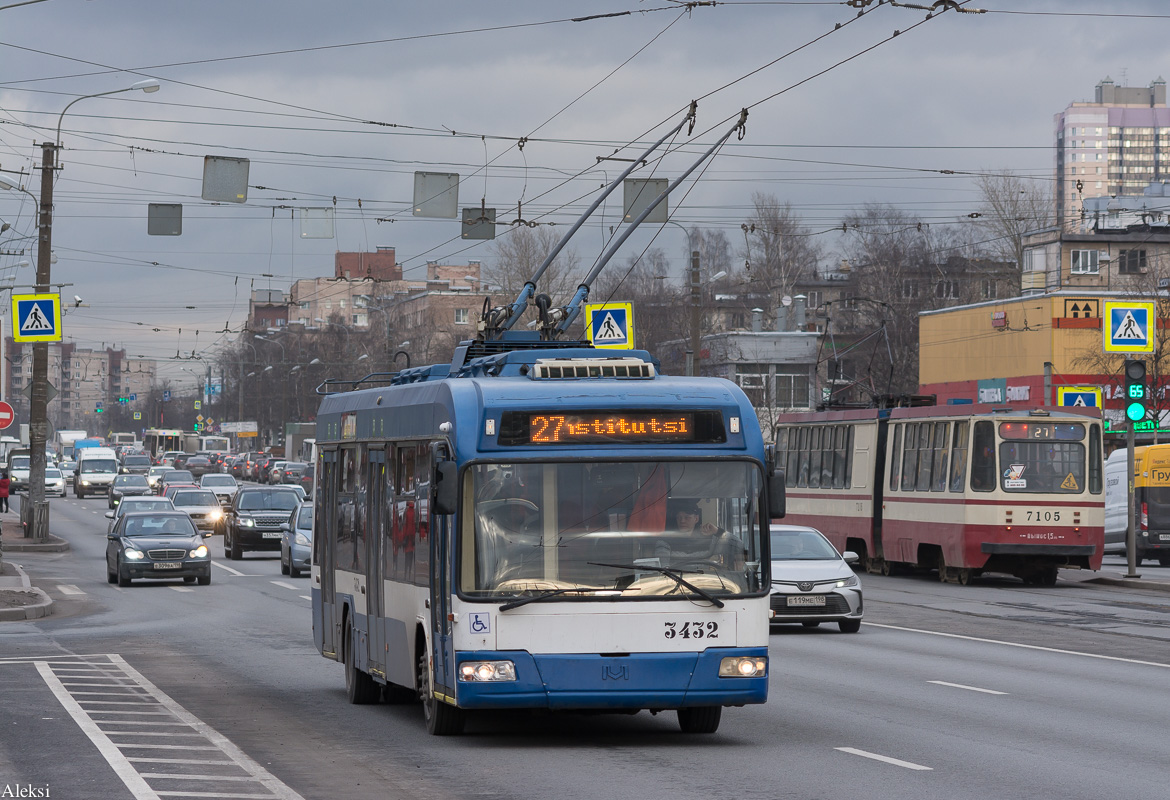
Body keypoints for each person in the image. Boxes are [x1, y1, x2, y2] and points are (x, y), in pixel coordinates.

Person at [656, 500, 744, 569]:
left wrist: (717, 532)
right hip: (676, 584)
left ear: (696, 519)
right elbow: (663, 569)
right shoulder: (666, 541)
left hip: (703, 584)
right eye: (679, 517)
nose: (682, 521)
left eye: (687, 517)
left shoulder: (709, 540)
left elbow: (738, 545)